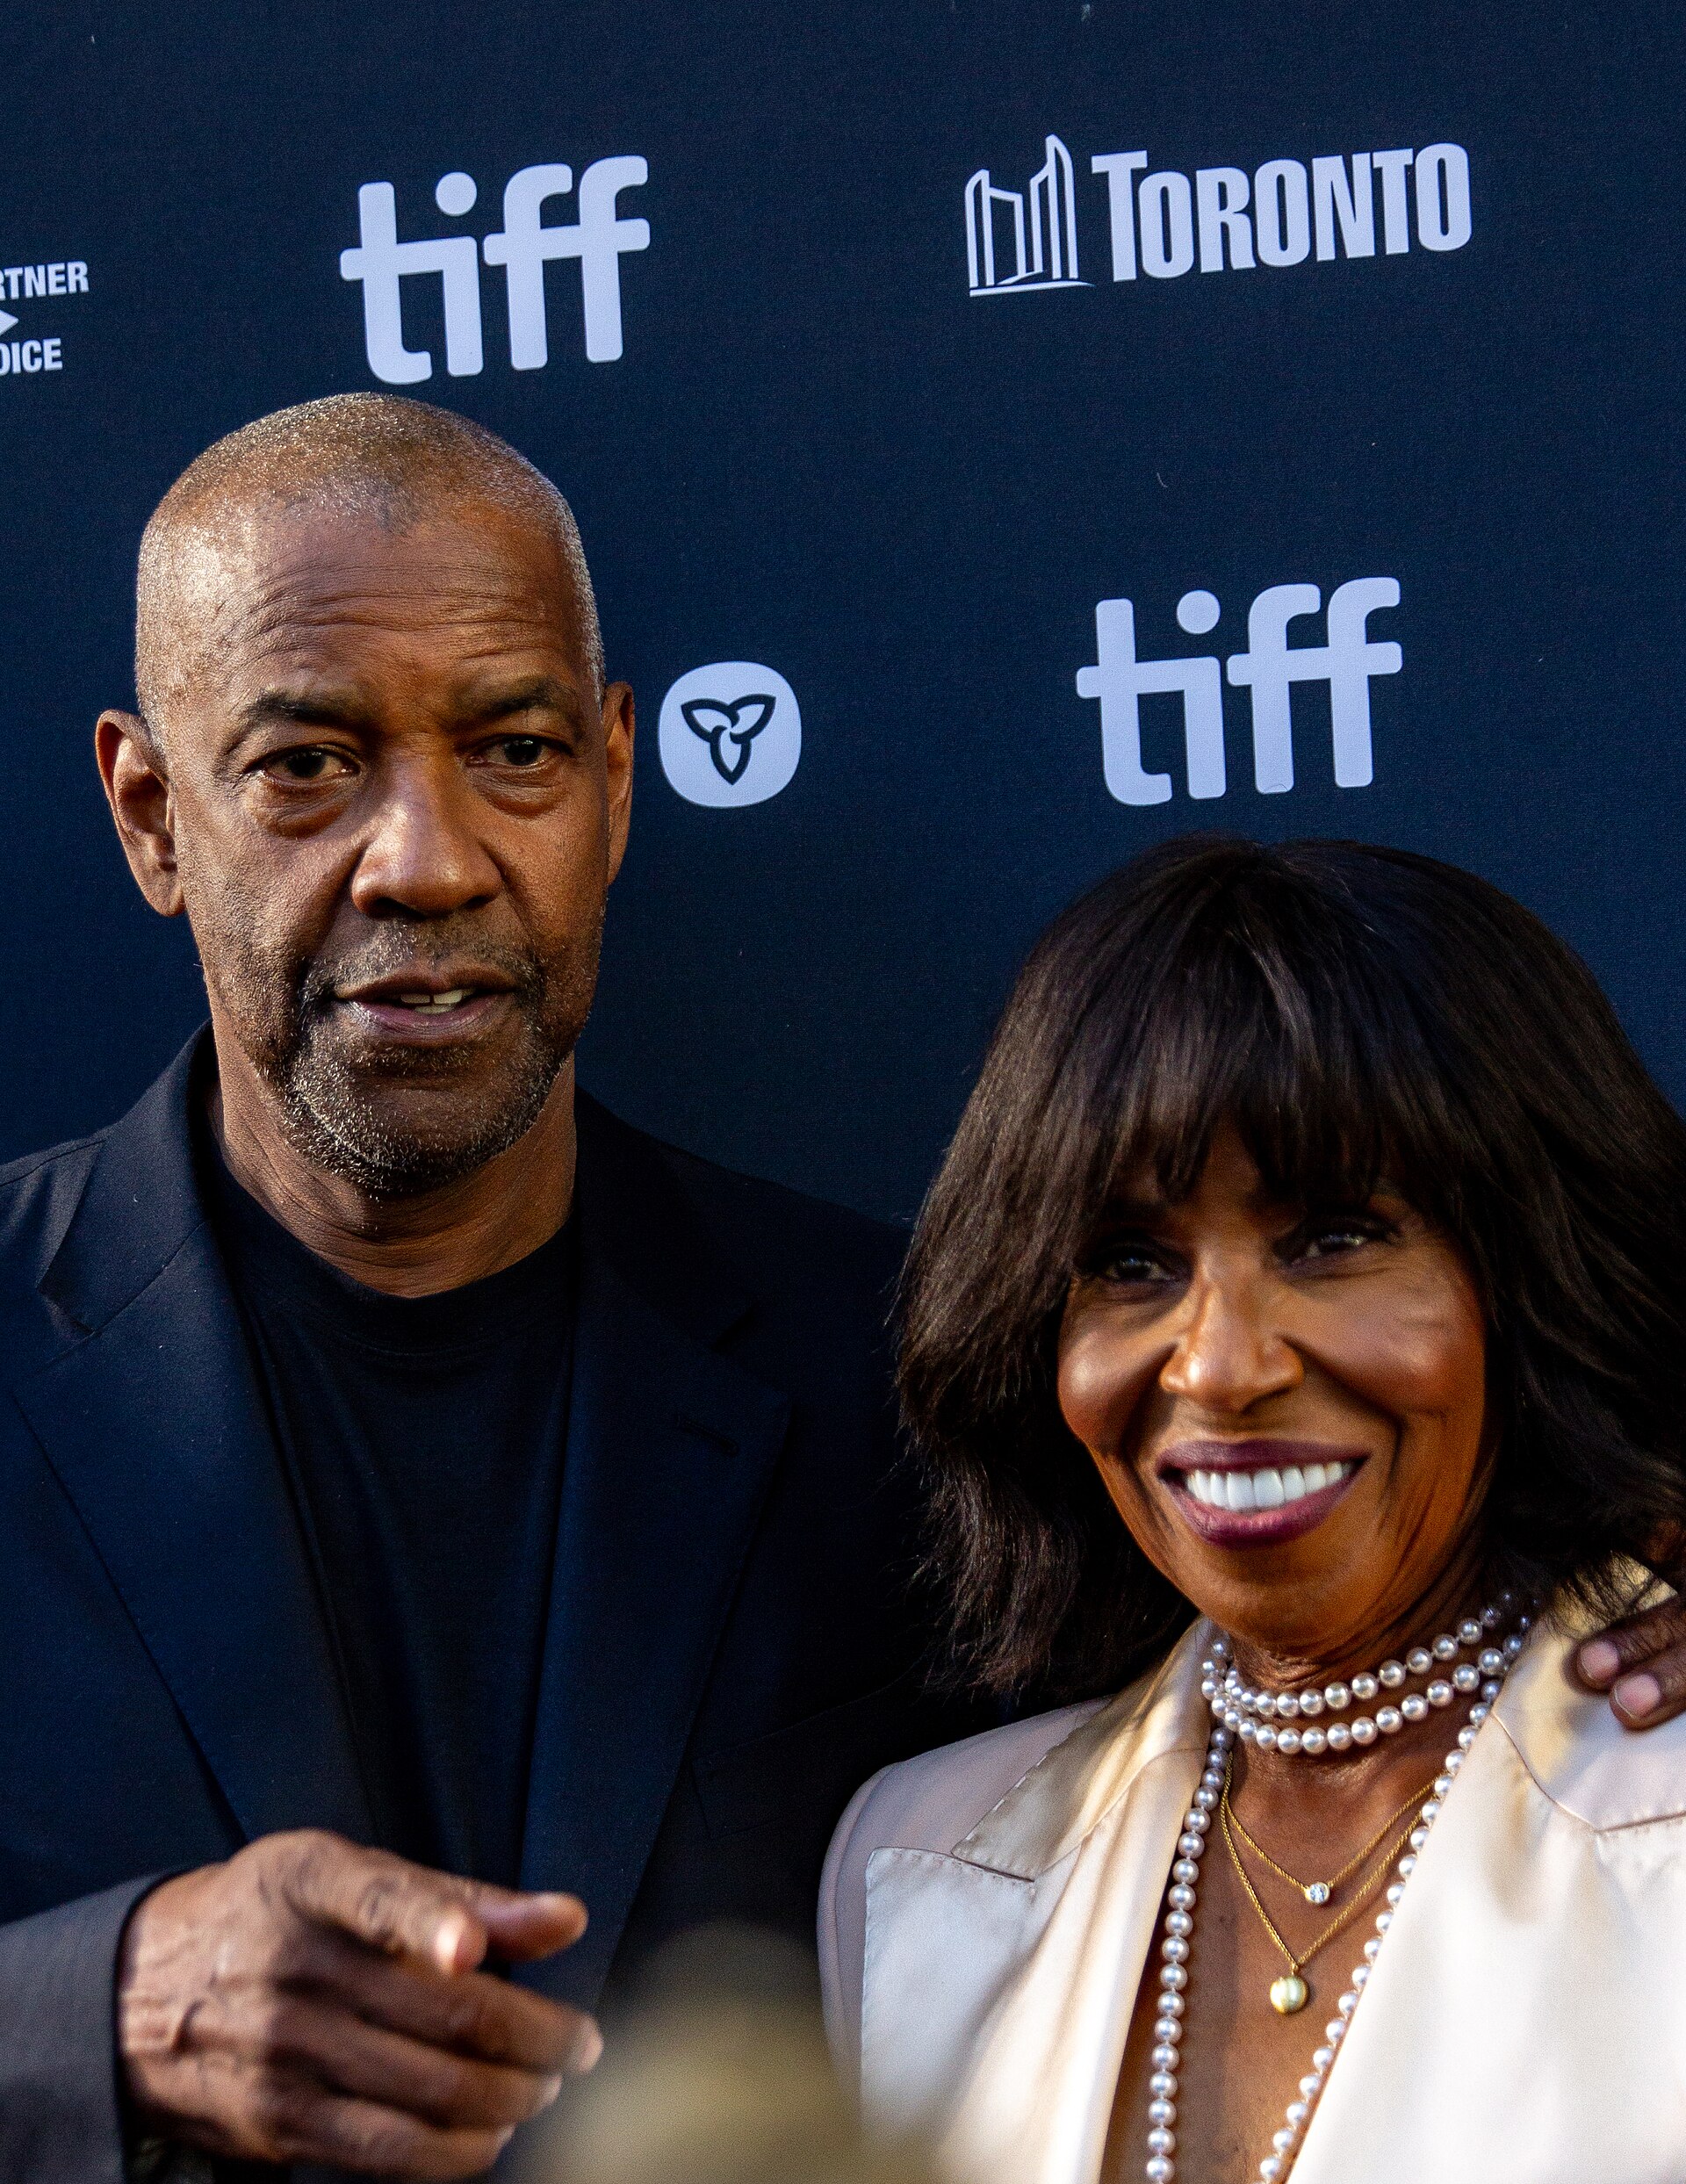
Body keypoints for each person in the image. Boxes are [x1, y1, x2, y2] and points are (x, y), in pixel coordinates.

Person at [0, 393, 981, 2183]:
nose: (429, 858)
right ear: (151, 815)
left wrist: (1615, 1610)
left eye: (515, 749)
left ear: (612, 777)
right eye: (305, 763)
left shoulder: (910, 1381)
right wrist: (107, 2002)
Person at [821, 839, 1686, 2184]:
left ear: (1531, 1271)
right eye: (1128, 1262)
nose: (1220, 1365)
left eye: (1333, 1237)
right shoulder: (913, 1857)